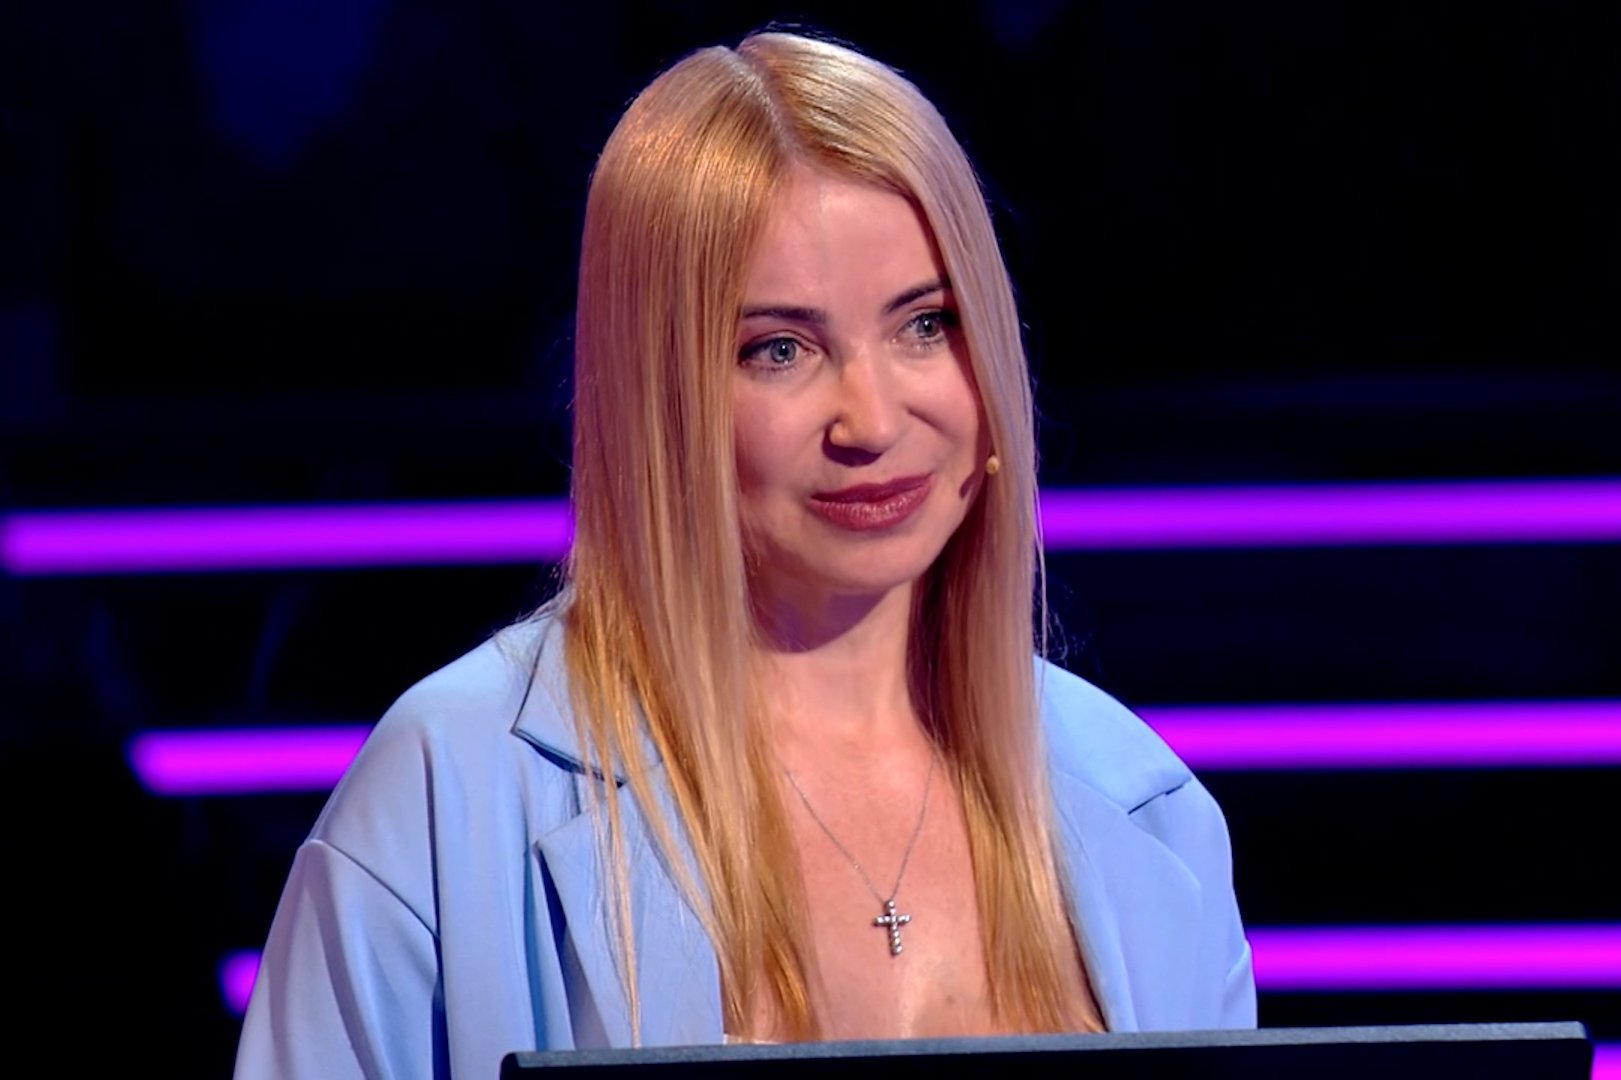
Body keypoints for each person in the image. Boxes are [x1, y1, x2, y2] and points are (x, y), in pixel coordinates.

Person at [234, 29, 1253, 1079]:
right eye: (780, 349)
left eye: (925, 325)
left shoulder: (1151, 815)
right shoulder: (447, 789)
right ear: (659, 393)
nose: (872, 420)